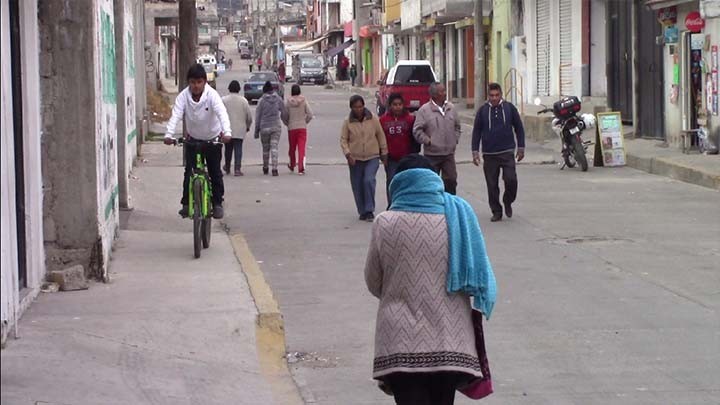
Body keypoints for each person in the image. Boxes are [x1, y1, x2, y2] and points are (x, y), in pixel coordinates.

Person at [364, 153, 496, 405]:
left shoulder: (384, 223)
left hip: (400, 341)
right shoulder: (457, 218)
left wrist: (401, 289)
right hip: (449, 339)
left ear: (398, 184)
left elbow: (373, 282)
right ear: (433, 181)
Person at [163, 64, 232, 219]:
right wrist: (169, 134)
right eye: (193, 82)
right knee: (189, 172)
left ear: (204, 82)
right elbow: (176, 115)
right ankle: (186, 203)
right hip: (193, 140)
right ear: (189, 82)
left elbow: (222, 113)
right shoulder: (183, 97)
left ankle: (217, 204)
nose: (196, 86)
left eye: (199, 82)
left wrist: (227, 133)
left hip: (213, 139)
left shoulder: (212, 95)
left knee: (215, 173)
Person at [471, 82, 526, 222]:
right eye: (491, 95)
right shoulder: (482, 111)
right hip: (489, 154)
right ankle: (496, 211)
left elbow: (519, 128)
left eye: (497, 95)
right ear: (488, 96)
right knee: (492, 185)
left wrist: (521, 147)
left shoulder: (509, 108)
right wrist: (475, 151)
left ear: (501, 95)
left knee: (511, 180)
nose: (494, 98)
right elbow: (476, 131)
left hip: (507, 151)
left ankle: (508, 200)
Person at [340, 95, 388, 221]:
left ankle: (369, 209)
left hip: (372, 156)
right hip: (355, 159)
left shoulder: (372, 119)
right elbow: (343, 140)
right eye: (355, 107)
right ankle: (362, 210)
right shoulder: (347, 122)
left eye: (361, 106)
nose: (359, 109)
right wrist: (348, 154)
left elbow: (380, 135)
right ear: (351, 108)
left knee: (369, 180)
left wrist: (384, 152)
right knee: (357, 184)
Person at [413, 82, 461, 195]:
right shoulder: (424, 110)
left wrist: (455, 140)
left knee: (451, 181)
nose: (445, 93)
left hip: (448, 154)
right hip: (432, 155)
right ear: (434, 94)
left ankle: (450, 206)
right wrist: (428, 141)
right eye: (442, 91)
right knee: (432, 184)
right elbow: (417, 130)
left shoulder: (451, 108)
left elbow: (457, 127)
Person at [378, 93, 418, 207]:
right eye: (394, 104)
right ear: (390, 106)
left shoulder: (410, 119)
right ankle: (392, 205)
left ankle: (406, 205)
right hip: (391, 159)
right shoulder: (383, 120)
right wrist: (382, 155)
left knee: (407, 181)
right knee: (391, 181)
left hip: (407, 157)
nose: (397, 107)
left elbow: (414, 138)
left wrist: (413, 154)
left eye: (400, 104)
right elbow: (380, 138)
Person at [222, 80, 253, 176]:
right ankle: (237, 169)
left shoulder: (223, 100)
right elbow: (249, 116)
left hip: (227, 129)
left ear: (229, 88)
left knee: (228, 149)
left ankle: (227, 167)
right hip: (240, 129)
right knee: (238, 149)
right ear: (239, 89)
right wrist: (247, 126)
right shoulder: (243, 101)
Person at [254, 81, 285, 176]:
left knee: (265, 148)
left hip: (264, 128)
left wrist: (256, 131)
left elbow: (258, 117)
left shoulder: (261, 101)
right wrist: (285, 121)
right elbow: (283, 111)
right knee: (274, 147)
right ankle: (275, 168)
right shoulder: (278, 99)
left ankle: (265, 167)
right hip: (276, 126)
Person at [282, 84, 313, 175]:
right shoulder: (303, 101)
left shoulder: (288, 102)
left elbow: (284, 115)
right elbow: (310, 114)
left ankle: (292, 164)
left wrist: (287, 123)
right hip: (302, 127)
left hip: (292, 127)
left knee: (292, 148)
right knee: (301, 148)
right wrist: (305, 122)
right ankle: (301, 168)